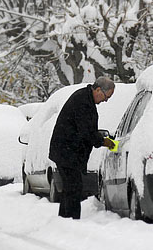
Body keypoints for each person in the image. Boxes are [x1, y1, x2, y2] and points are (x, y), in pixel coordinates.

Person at [49, 76, 115, 219]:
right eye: (106, 96)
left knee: (70, 188)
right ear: (98, 89)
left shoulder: (85, 98)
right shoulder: (83, 102)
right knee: (74, 188)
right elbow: (86, 131)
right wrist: (103, 142)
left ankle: (64, 219)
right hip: (66, 151)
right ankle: (71, 220)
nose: (106, 100)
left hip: (67, 151)